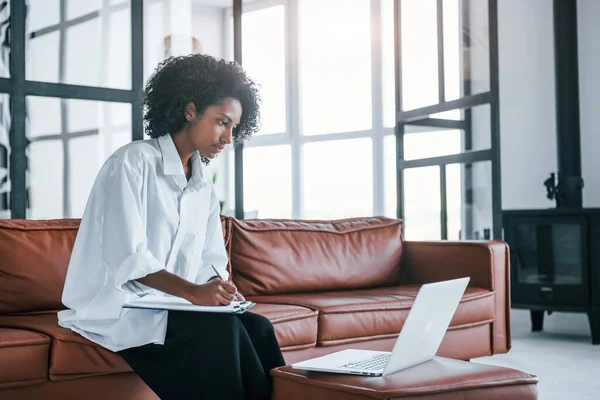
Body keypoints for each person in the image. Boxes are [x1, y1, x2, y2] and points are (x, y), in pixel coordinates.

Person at [58, 54, 285, 400]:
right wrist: (195, 294)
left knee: (259, 327)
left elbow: (211, 260)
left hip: (170, 305)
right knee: (220, 332)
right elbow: (128, 260)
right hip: (120, 307)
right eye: (222, 122)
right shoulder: (132, 162)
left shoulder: (203, 186)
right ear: (190, 110)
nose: (228, 137)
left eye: (235, 127)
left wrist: (217, 287)